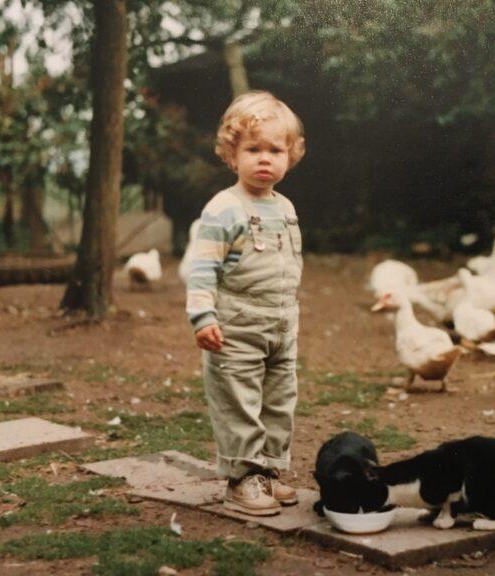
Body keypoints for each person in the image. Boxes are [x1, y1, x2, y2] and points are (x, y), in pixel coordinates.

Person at [186, 91, 305, 516]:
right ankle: (242, 477)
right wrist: (203, 316)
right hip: (235, 325)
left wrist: (289, 318)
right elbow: (202, 270)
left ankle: (268, 472)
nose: (264, 159)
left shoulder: (286, 207)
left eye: (275, 150)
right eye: (253, 149)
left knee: (278, 399)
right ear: (231, 155)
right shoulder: (224, 208)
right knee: (239, 400)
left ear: (290, 155)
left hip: (280, 324)